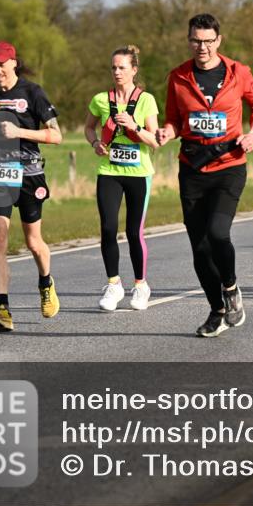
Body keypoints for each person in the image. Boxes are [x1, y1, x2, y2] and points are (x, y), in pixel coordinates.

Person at [157, 13, 253, 337]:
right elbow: (174, 120)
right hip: (192, 169)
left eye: (208, 41)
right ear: (188, 40)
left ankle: (231, 288)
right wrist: (167, 131)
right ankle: (217, 310)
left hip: (229, 165)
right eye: (196, 40)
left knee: (218, 233)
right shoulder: (178, 77)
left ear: (218, 40)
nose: (201, 47)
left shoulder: (238, 72)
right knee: (200, 248)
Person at [0, 41, 62, 332]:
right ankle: (3, 307)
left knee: (33, 242)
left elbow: (56, 135)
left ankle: (46, 282)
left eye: (1, 64)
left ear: (13, 63)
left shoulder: (32, 92)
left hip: (30, 173)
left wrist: (20, 131)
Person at [84, 45, 160, 311]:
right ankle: (114, 284)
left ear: (134, 70)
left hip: (139, 174)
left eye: (122, 67)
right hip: (109, 171)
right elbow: (88, 128)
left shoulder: (146, 100)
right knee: (107, 227)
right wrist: (94, 144)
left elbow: (155, 141)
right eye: (113, 67)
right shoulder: (100, 99)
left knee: (133, 231)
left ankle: (140, 286)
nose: (117, 72)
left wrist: (134, 126)